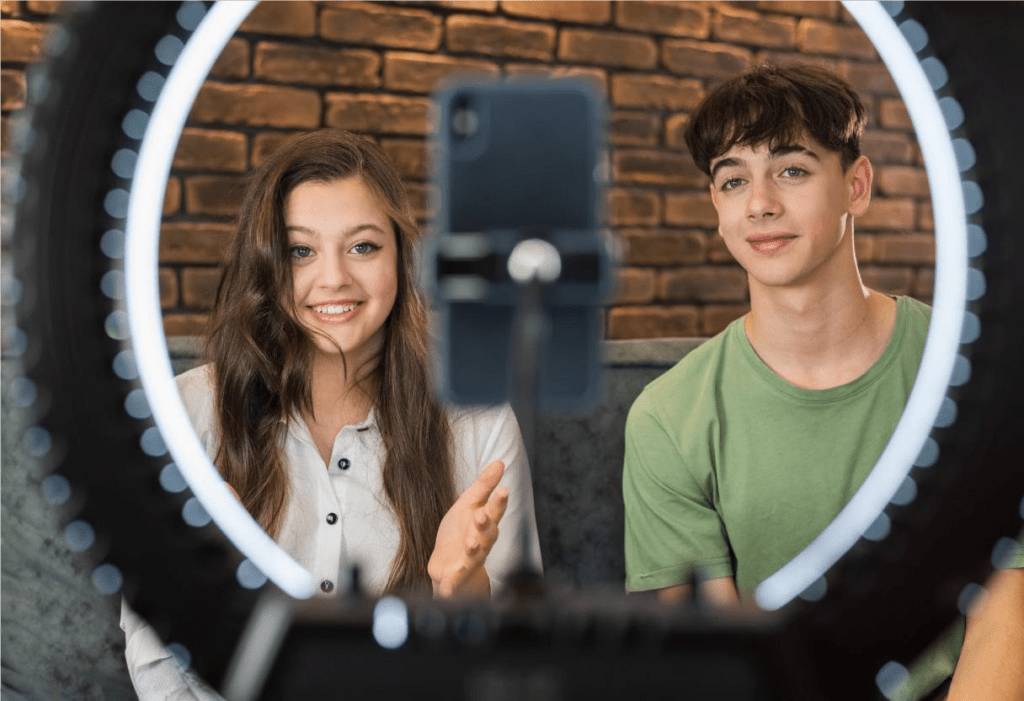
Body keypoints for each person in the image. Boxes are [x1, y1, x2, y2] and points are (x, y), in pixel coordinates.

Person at [622, 64, 1023, 698]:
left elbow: (1006, 605)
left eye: (792, 170)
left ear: (856, 185)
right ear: (717, 209)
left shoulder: (970, 371)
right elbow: (713, 659)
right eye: (733, 181)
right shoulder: (667, 417)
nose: (760, 204)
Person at [121, 129, 541, 699]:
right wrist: (211, 593)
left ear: (401, 254)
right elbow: (157, 669)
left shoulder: (478, 418)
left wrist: (462, 588)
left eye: (363, 246)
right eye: (301, 251)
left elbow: (516, 661)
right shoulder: (185, 415)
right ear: (267, 264)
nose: (334, 277)